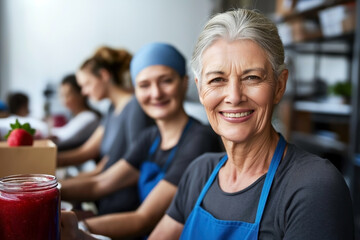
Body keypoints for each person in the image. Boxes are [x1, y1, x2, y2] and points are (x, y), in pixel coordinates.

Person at [149, 9, 354, 240]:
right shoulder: (199, 173)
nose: (234, 97)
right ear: (200, 90)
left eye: (252, 78)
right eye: (217, 80)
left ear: (279, 85)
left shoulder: (313, 187)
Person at [60, 42, 223, 240]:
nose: (155, 93)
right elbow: (100, 183)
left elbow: (142, 219)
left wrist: (77, 226)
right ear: (135, 91)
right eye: (144, 85)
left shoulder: (199, 139)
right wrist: (43, 190)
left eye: (166, 81)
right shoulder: (150, 137)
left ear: (184, 82)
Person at [57, 46, 153, 215]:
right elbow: (87, 151)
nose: (84, 92)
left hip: (123, 204)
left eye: (86, 84)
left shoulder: (135, 107)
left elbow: (134, 165)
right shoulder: (111, 109)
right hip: (106, 197)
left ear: (103, 75)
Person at [51, 74, 101, 150]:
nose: (64, 101)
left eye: (68, 95)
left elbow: (64, 138)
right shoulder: (76, 117)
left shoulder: (89, 117)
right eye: (62, 96)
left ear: (81, 93)